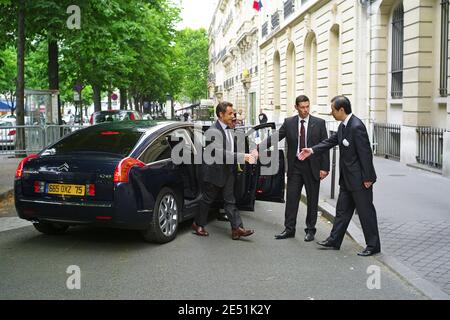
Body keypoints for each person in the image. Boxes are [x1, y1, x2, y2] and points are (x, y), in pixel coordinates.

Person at [298, 95, 381, 256]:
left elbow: (366, 154)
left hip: (360, 181)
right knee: (342, 212)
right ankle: (334, 240)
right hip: (347, 180)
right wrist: (312, 150)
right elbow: (330, 141)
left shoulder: (356, 126)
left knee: (366, 213)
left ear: (341, 110)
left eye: (333, 110)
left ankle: (373, 245)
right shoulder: (344, 126)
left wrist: (368, 178)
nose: (331, 113)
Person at [256, 95, 330, 241]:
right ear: (296, 107)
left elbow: (325, 147)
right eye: (302, 107)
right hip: (295, 166)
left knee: (312, 199)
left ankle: (310, 230)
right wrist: (258, 148)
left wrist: (325, 168)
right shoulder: (289, 122)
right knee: (291, 198)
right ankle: (289, 229)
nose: (305, 110)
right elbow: (276, 137)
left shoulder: (319, 123)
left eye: (307, 106)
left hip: (312, 166)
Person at [192, 101, 255, 240]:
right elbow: (220, 153)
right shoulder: (212, 131)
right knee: (207, 199)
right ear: (221, 114)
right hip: (215, 171)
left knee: (230, 200)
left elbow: (233, 147)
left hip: (228, 170)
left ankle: (237, 228)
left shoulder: (230, 128)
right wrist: (242, 157)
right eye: (230, 113)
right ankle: (198, 224)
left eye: (234, 113)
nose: (233, 116)